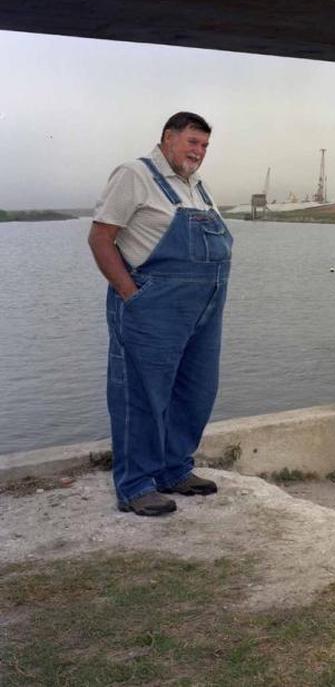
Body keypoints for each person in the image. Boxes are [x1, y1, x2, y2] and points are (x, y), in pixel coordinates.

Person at [88, 112, 232, 517]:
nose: (199, 153)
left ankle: (174, 469)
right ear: (168, 137)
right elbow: (100, 238)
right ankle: (135, 485)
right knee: (141, 395)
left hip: (203, 312)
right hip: (152, 310)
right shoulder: (135, 174)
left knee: (196, 391)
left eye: (204, 146)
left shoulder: (196, 186)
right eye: (192, 143)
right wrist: (130, 295)